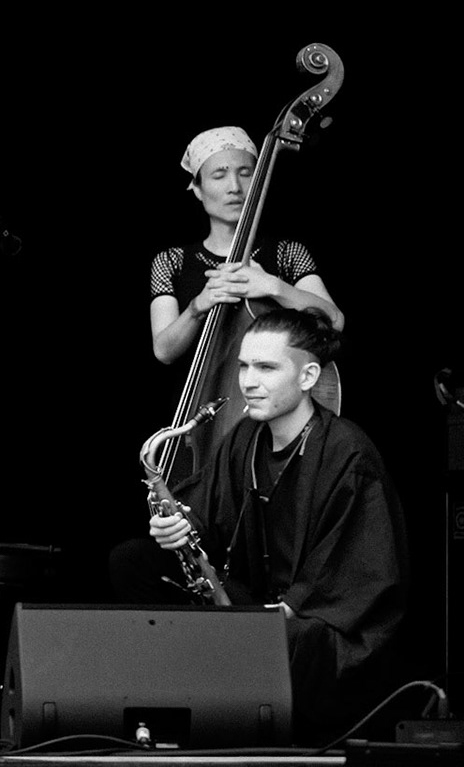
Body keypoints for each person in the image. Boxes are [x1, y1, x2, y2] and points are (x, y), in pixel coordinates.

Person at [138, 308, 407, 742]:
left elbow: (353, 568)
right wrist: (178, 528)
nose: (247, 380)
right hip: (257, 603)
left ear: (307, 377)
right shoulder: (244, 436)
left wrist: (279, 613)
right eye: (244, 366)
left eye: (266, 367)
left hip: (324, 622)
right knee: (133, 561)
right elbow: (206, 517)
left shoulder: (349, 454)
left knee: (295, 636)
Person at [150, 125, 343, 368]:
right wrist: (196, 308)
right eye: (219, 176)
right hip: (200, 404)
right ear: (197, 189)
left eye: (245, 173)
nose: (235, 187)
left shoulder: (288, 253)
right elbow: (164, 351)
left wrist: (273, 286)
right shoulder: (170, 261)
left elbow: (335, 321)